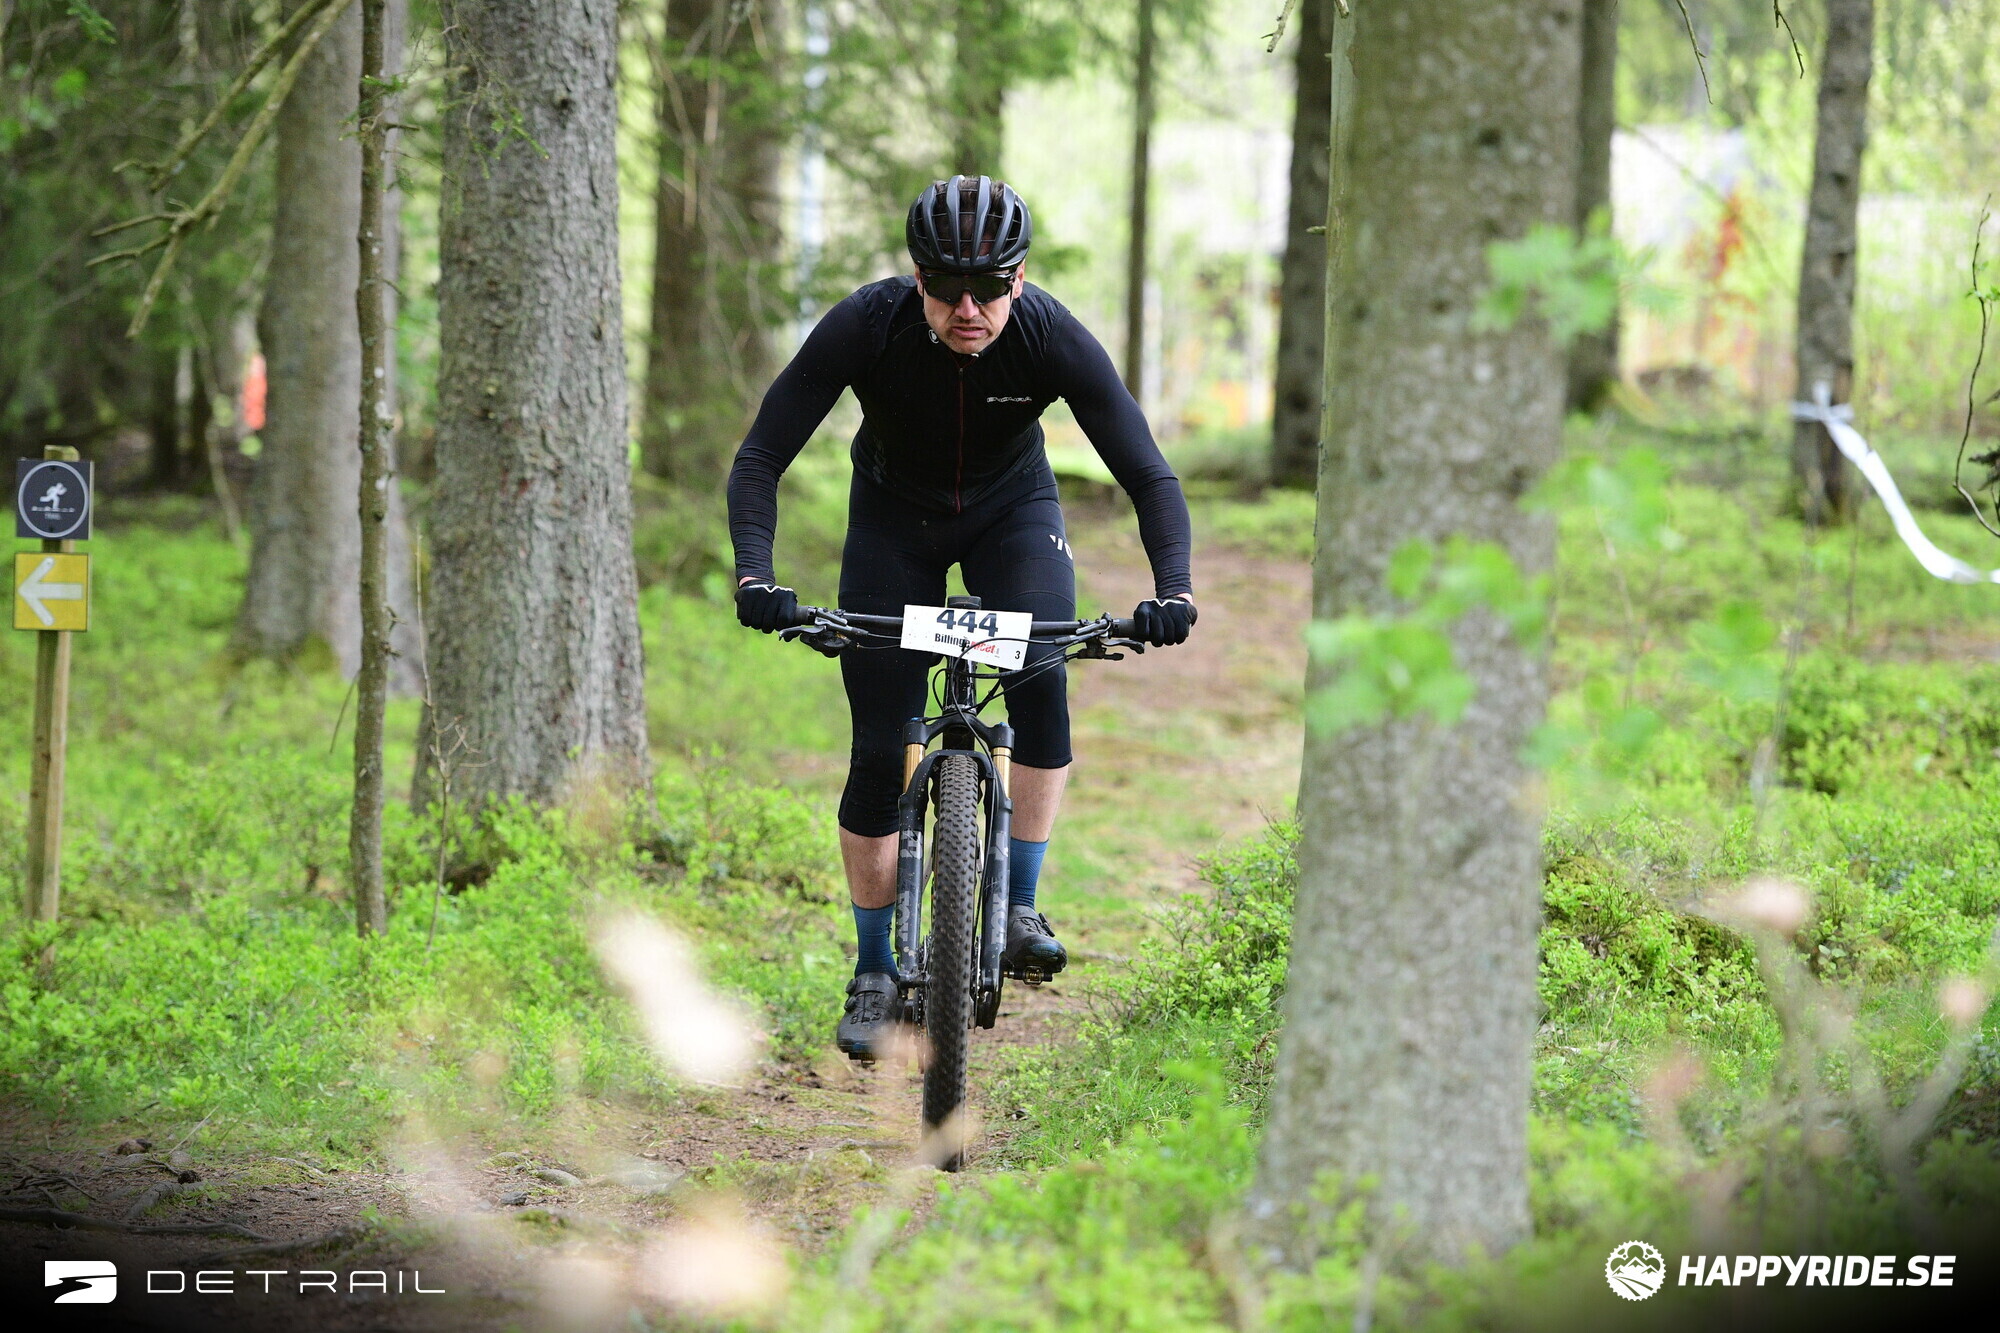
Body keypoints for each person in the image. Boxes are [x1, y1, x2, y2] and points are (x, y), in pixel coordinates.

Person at [727, 175, 1196, 1060]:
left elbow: (1148, 473)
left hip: (1012, 514)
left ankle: (1019, 907)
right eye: (945, 287)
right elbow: (760, 457)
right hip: (891, 521)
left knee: (1040, 678)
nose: (968, 308)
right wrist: (756, 574)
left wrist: (1174, 589)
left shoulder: (1050, 336)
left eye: (989, 286)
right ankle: (873, 970)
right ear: (917, 278)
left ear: (1020, 278)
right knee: (880, 745)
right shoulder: (868, 325)